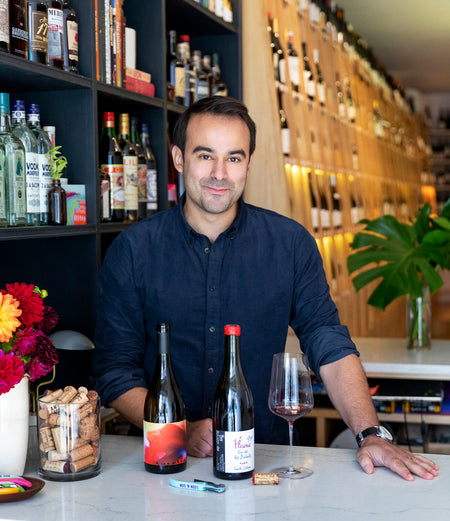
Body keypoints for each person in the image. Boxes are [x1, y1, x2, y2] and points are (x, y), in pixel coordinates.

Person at [93, 96, 438, 482]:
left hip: (266, 461)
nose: (220, 173)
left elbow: (327, 342)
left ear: (249, 164)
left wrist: (370, 433)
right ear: (178, 159)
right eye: (205, 156)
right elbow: (115, 371)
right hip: (163, 464)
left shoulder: (290, 244)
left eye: (234, 158)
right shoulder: (133, 250)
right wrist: (180, 430)